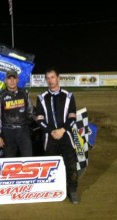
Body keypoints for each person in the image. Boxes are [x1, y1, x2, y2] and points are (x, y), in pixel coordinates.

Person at [35, 67, 79, 204]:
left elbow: (72, 117)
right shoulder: (41, 98)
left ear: (58, 78)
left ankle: (72, 191)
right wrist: (51, 131)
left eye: (52, 77)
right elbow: (40, 120)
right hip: (49, 138)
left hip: (66, 136)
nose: (50, 80)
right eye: (47, 78)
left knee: (71, 165)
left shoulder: (69, 96)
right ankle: (51, 191)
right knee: (49, 167)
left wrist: (62, 130)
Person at [0, 70, 34, 157]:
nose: (12, 81)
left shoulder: (25, 93)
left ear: (18, 80)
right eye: (9, 78)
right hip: (8, 132)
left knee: (28, 158)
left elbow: (30, 111)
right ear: (5, 80)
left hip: (23, 131)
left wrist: (30, 122)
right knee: (9, 160)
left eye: (14, 78)